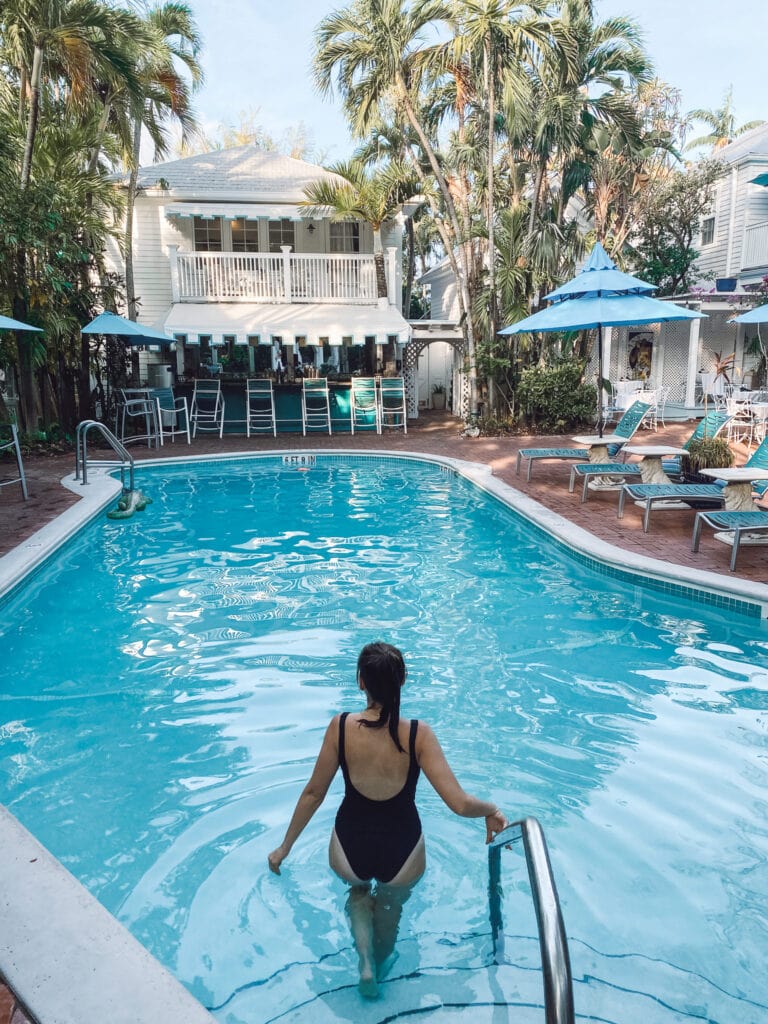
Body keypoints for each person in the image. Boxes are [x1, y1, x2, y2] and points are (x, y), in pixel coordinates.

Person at [268, 641, 508, 998]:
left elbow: (313, 793)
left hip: (349, 844)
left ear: (360, 681)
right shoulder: (418, 735)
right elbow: (458, 803)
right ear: (403, 681)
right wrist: (491, 809)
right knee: (391, 903)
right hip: (403, 849)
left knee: (358, 890)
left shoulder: (341, 726)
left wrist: (284, 848)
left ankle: (363, 959)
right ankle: (378, 963)